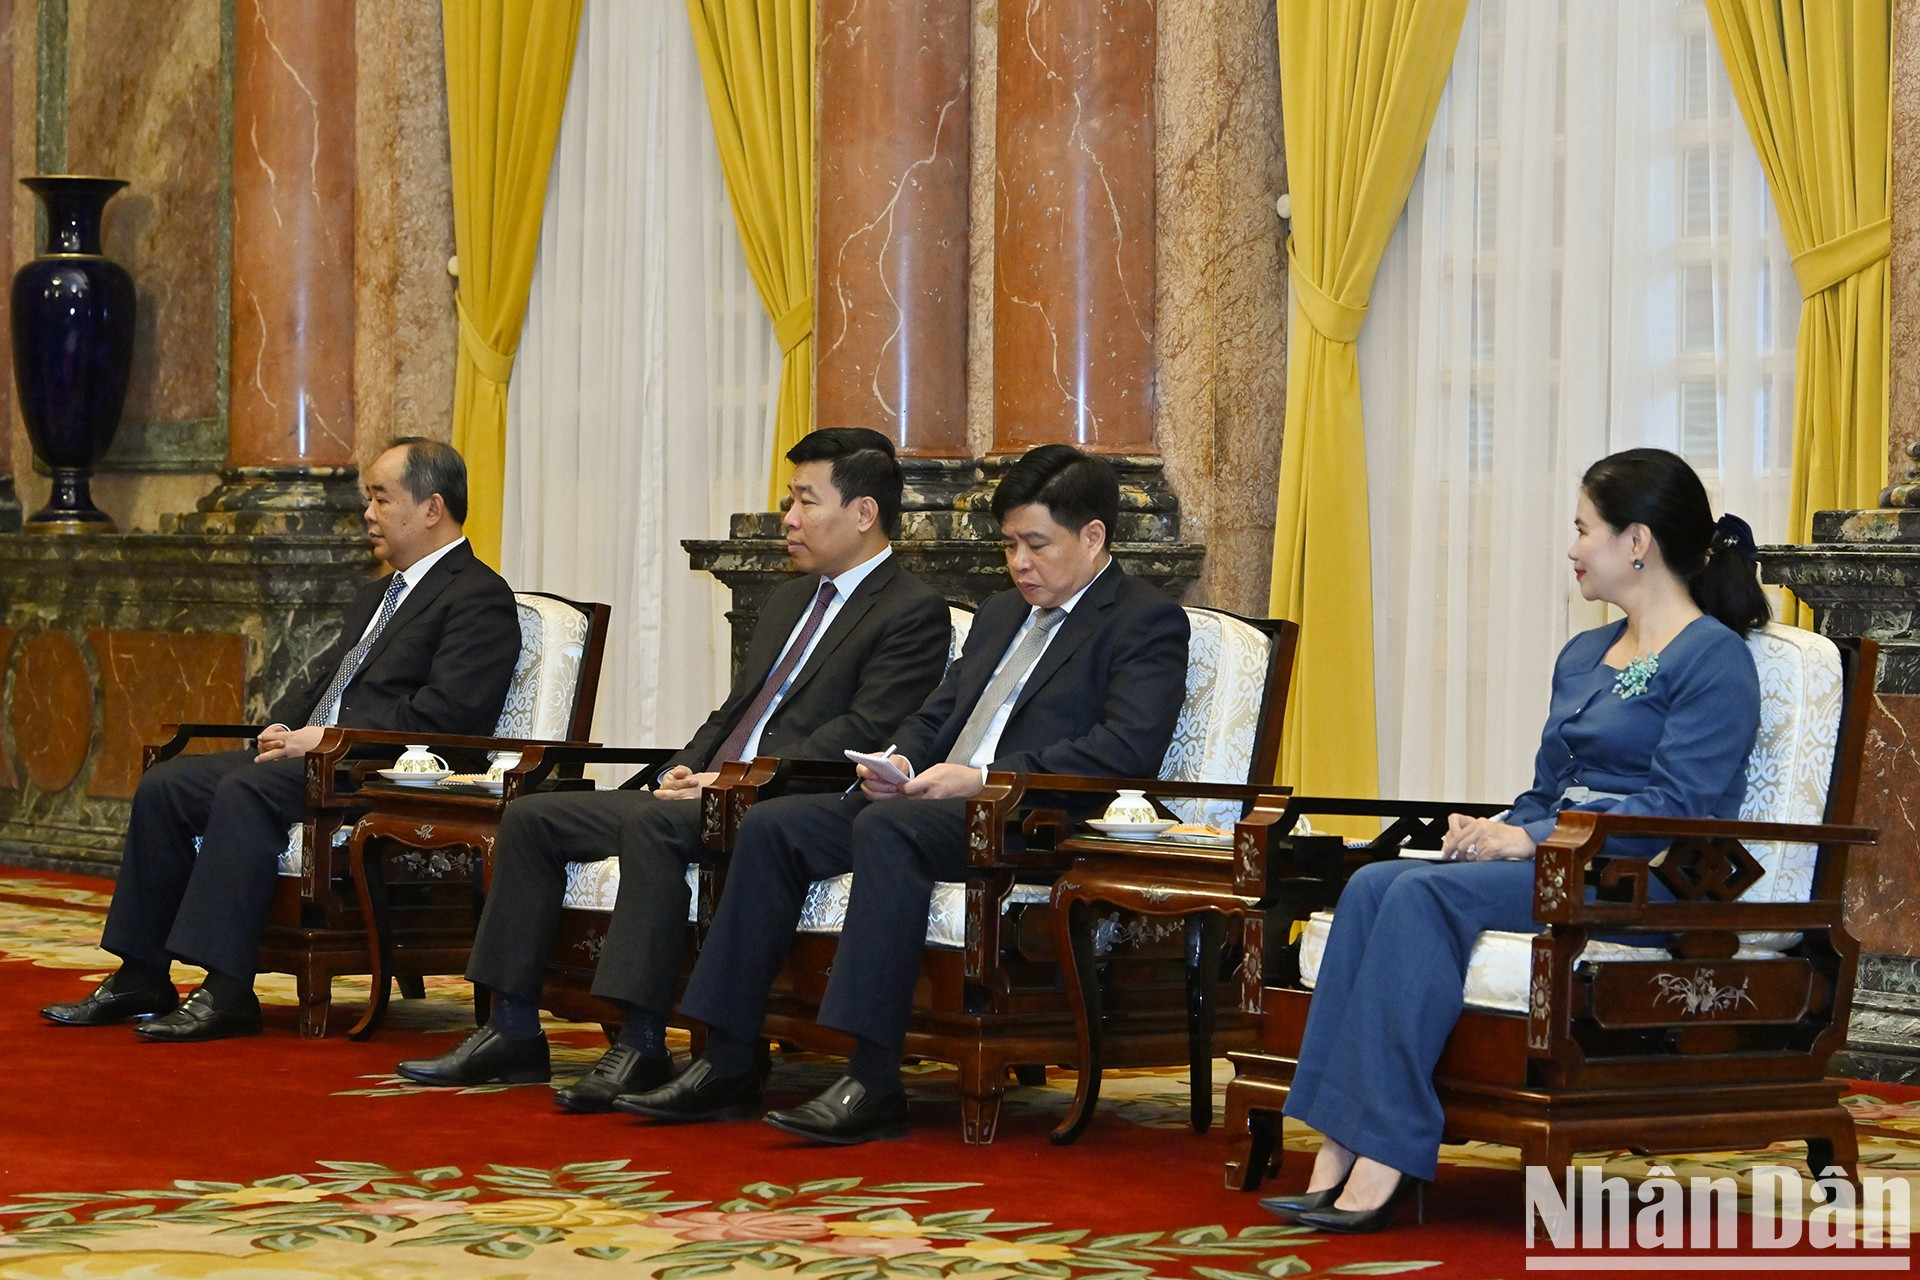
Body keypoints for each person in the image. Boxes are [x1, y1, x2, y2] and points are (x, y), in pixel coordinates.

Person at [615, 443, 1192, 1145]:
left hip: (1030, 819)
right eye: (1010, 545)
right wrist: (896, 760)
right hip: (931, 803)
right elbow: (938, 715)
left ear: (1093, 535)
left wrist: (982, 779)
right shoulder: (1004, 613)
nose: (1019, 563)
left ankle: (873, 1078)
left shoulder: (1145, 621)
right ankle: (729, 1059)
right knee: (774, 827)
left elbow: (1124, 750)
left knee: (887, 834)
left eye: (1036, 544)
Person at [1263, 448, 1770, 1233]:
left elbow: (1677, 809)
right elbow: (1544, 788)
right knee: (1372, 883)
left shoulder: (1714, 659)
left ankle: (1387, 1152)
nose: (1571, 549)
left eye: (1583, 530)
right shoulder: (1582, 653)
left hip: (1639, 877)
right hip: (1554, 859)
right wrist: (1496, 829)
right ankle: (1339, 1144)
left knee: (1423, 897)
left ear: (1637, 541)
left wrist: (1531, 845)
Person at [393, 427, 953, 1107]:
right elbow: (731, 714)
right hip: (714, 789)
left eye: (806, 501)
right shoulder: (788, 601)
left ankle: (641, 1043)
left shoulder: (910, 610)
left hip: (791, 800)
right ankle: (511, 1031)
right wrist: (686, 770)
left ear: (864, 513)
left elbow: (863, 730)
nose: (790, 518)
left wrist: (739, 779)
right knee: (536, 815)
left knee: (656, 830)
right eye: (789, 501)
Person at [42, 438, 521, 1042]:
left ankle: (227, 988)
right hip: (319, 755)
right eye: (366, 498)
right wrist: (289, 728)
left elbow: (450, 716)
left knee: (247, 789)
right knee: (167, 784)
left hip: (382, 770)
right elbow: (333, 681)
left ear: (431, 507)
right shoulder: (380, 592)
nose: (368, 513)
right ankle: (141, 973)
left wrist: (329, 739)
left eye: (380, 498)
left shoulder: (477, 595)